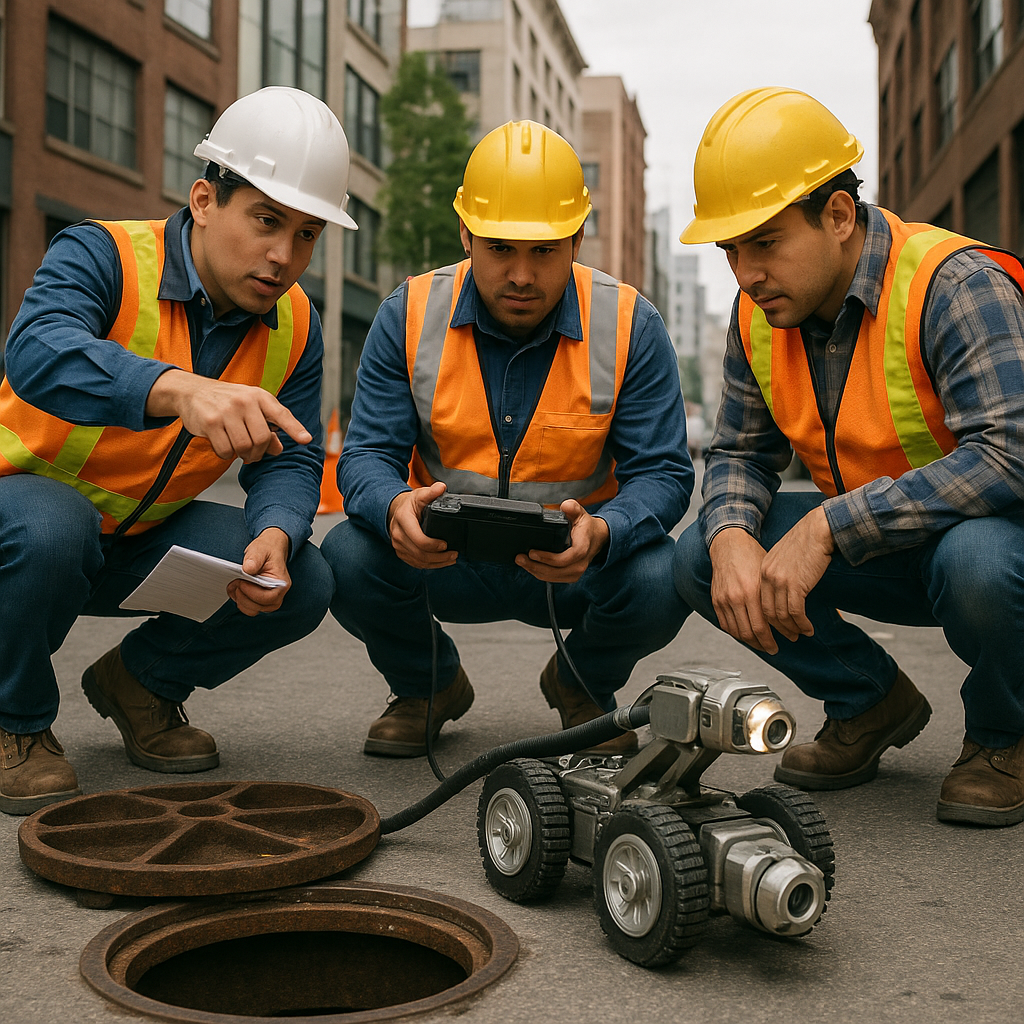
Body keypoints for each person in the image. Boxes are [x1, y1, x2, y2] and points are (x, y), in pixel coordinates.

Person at [0, 86, 358, 815]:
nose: (284, 256)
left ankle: (139, 685)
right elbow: (36, 350)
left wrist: (275, 532)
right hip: (24, 527)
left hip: (132, 543)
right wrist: (177, 389)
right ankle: (16, 725)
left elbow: (289, 456)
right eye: (266, 220)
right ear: (203, 200)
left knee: (307, 577)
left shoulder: (294, 324)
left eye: (308, 234)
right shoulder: (105, 254)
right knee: (51, 525)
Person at [673, 87, 1024, 827]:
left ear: (837, 215)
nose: (745, 272)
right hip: (888, 544)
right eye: (730, 250)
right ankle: (871, 703)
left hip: (992, 546)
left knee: (978, 564)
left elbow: (1011, 452)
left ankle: (1004, 737)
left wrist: (829, 526)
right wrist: (733, 532)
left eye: (764, 242)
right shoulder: (759, 315)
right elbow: (738, 449)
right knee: (701, 556)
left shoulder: (956, 285)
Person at [322, 120, 693, 759]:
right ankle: (427, 687)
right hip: (443, 555)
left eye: (545, 251)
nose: (521, 275)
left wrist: (604, 533)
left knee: (668, 573)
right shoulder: (406, 314)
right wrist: (393, 508)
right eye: (499, 248)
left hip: (571, 562)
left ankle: (582, 684)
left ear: (577, 238)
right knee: (348, 555)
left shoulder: (631, 322)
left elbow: (663, 473)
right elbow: (367, 456)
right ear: (465, 234)